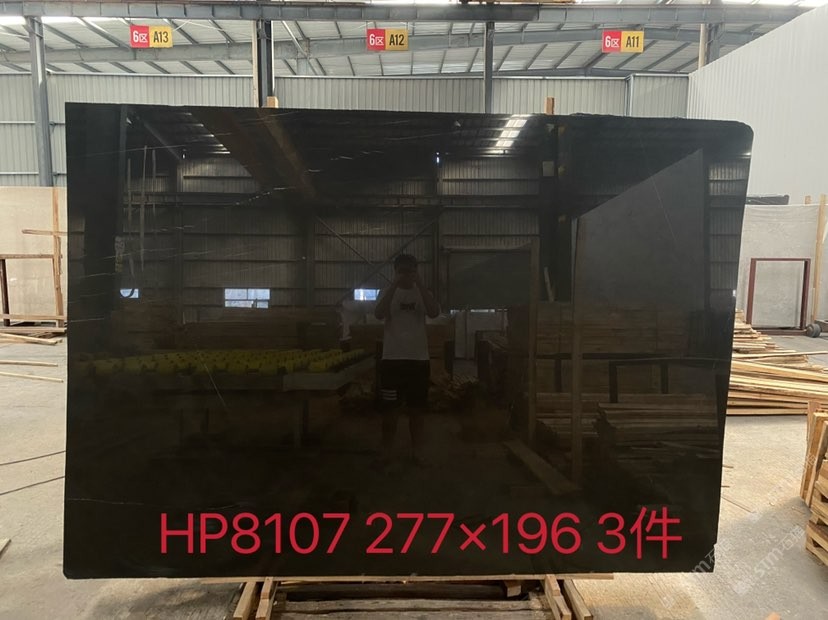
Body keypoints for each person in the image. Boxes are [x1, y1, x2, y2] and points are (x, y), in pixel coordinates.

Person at [373, 254, 440, 465]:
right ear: (395, 272)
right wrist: (394, 285)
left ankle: (417, 452)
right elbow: (378, 314)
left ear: (416, 271)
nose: (406, 275)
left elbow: (434, 312)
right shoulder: (387, 292)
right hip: (392, 360)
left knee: (417, 410)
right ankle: (386, 451)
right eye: (402, 271)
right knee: (390, 411)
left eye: (411, 271)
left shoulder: (422, 293)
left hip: (418, 360)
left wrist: (420, 284)